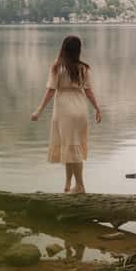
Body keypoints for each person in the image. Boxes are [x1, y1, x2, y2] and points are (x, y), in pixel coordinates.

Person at [31, 35, 101, 194]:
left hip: (65, 110)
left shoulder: (57, 67)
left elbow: (50, 91)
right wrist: (97, 108)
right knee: (71, 146)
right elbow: (88, 91)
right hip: (80, 108)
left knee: (71, 147)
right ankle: (68, 184)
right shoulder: (83, 68)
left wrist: (39, 110)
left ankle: (81, 186)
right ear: (78, 50)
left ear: (63, 48)